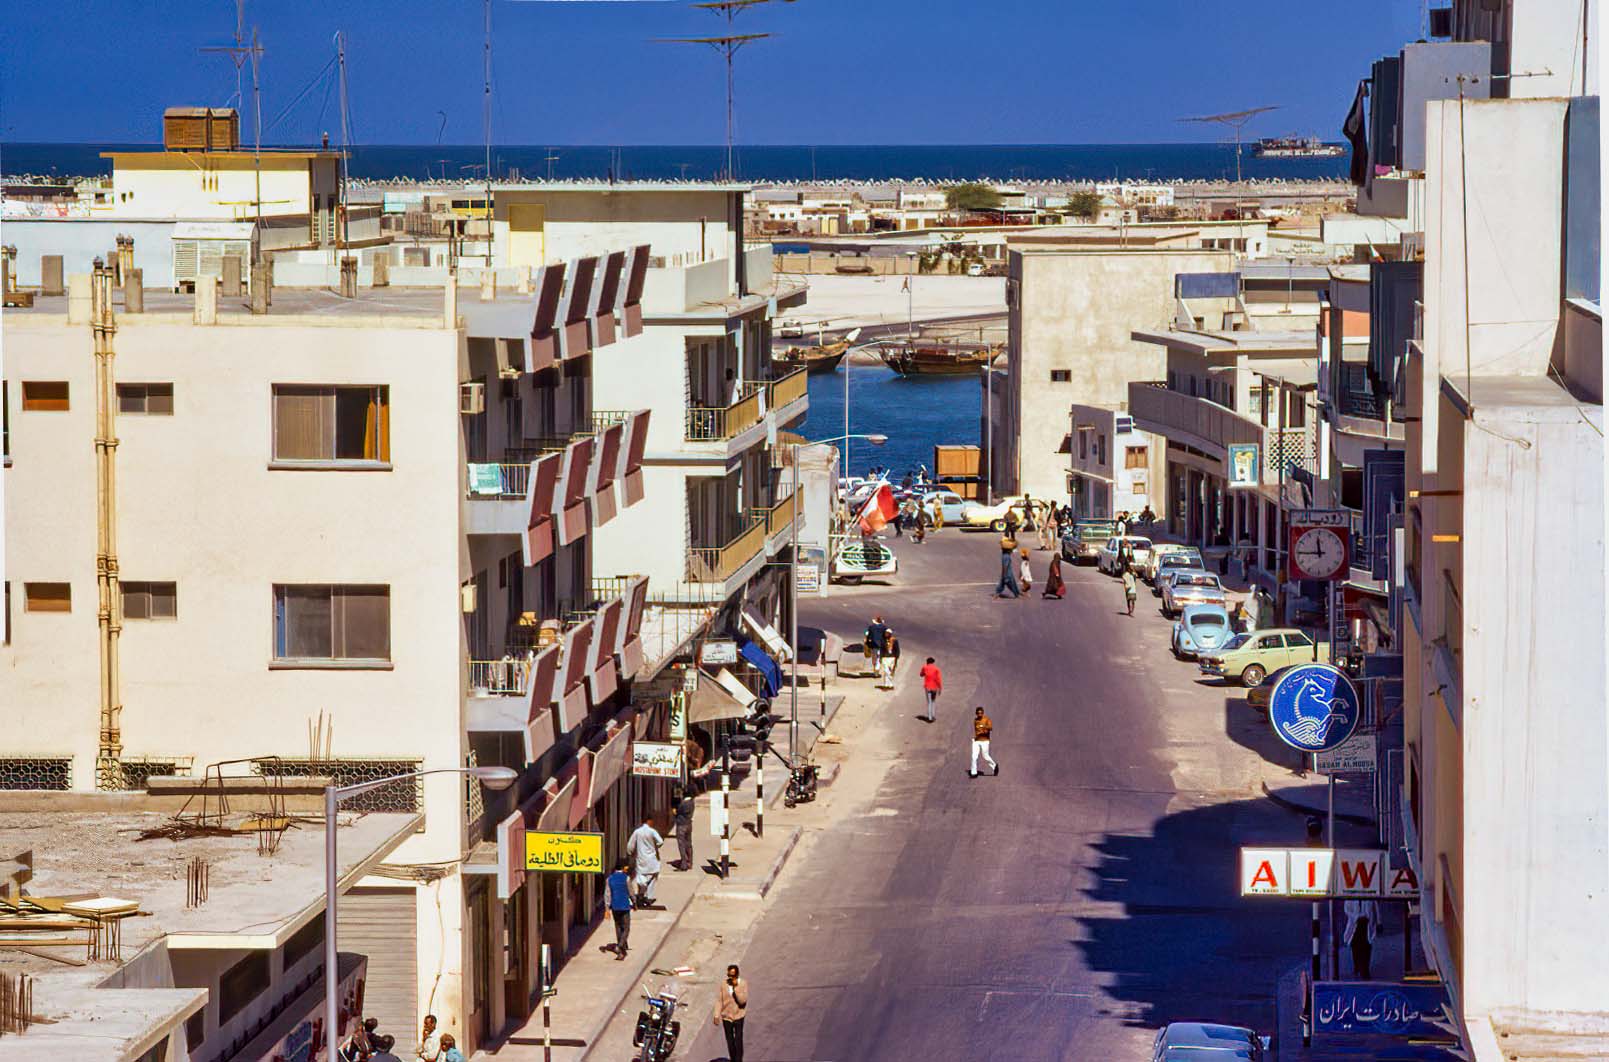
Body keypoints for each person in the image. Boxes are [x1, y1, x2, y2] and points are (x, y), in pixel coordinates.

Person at [626, 814, 664, 908]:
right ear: (649, 821)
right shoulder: (652, 831)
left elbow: (630, 846)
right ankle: (647, 896)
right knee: (653, 877)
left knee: (641, 878)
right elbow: (660, 841)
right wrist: (655, 847)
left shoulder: (637, 832)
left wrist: (631, 853)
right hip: (652, 859)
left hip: (641, 859)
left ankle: (642, 894)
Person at [715, 964, 749, 1062]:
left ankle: (738, 1060)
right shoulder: (724, 984)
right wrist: (717, 1014)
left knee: (738, 1040)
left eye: (733, 976)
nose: (730, 978)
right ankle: (733, 1059)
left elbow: (742, 1001)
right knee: (730, 1041)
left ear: (737, 975)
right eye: (729, 975)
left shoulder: (743, 984)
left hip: (738, 1016)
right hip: (726, 1017)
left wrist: (736, 989)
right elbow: (719, 1000)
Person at [1343, 898, 1379, 979]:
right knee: (1355, 946)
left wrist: (1379, 922)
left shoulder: (1370, 893)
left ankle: (1365, 970)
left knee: (1366, 947)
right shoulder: (1350, 895)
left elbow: (1376, 907)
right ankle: (1357, 967)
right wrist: (1356, 917)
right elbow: (1346, 909)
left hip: (1367, 923)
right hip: (1355, 923)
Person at [606, 859, 633, 959]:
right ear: (622, 868)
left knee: (618, 927)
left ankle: (621, 952)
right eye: (625, 867)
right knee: (626, 927)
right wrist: (634, 902)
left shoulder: (610, 879)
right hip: (624, 906)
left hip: (615, 907)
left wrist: (607, 908)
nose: (627, 868)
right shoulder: (626, 878)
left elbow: (607, 894)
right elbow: (631, 892)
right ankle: (620, 946)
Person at [970, 707, 999, 778]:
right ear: (976, 714)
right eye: (978, 713)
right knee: (974, 756)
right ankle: (974, 773)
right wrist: (976, 737)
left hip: (985, 741)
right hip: (977, 741)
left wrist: (984, 727)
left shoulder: (986, 719)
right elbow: (977, 731)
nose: (979, 714)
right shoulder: (975, 720)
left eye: (981, 713)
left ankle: (994, 766)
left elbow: (990, 728)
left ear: (983, 713)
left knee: (985, 756)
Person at [672, 787, 695, 871]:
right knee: (688, 844)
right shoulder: (692, 802)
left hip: (681, 825)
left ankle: (684, 864)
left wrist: (675, 810)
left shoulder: (683, 804)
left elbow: (677, 811)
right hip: (689, 824)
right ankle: (690, 862)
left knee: (681, 844)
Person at [994, 531, 1021, 598]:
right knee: (1011, 583)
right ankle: (1016, 594)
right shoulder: (1006, 557)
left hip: (1008, 572)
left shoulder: (1004, 555)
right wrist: (1004, 573)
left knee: (1002, 583)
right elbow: (1005, 566)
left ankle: (997, 593)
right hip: (1008, 573)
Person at [919, 656, 942, 722]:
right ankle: (933, 715)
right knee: (933, 701)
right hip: (934, 687)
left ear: (927, 662)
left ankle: (929, 717)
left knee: (929, 702)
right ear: (933, 662)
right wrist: (940, 688)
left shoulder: (924, 667)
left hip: (927, 687)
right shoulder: (936, 669)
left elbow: (921, 674)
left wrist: (924, 673)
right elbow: (938, 679)